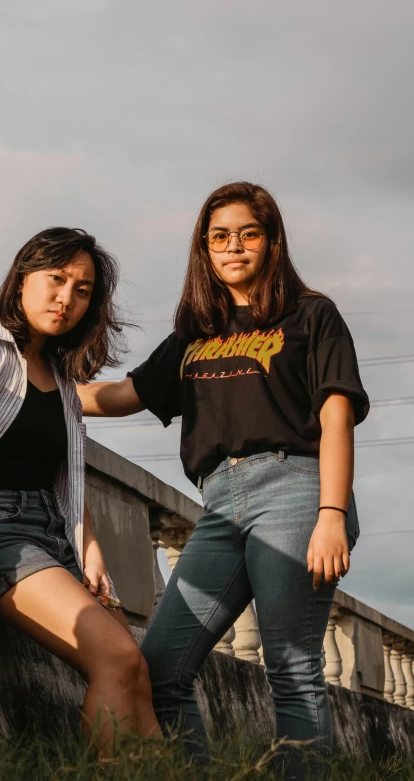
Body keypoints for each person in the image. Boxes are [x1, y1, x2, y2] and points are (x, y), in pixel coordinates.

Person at [77, 182, 369, 777]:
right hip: (218, 502)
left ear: (271, 240)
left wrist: (332, 514)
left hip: (297, 489)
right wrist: (28, 389)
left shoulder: (311, 315)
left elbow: (336, 417)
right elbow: (126, 393)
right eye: (219, 237)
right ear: (204, 250)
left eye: (248, 233)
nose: (233, 246)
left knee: (290, 667)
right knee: (159, 668)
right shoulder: (196, 332)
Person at [0, 227, 160, 753]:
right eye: (56, 279)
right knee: (114, 658)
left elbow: (64, 477)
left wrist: (90, 552)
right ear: (23, 278)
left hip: (50, 533)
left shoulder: (62, 380)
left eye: (83, 290)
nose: (67, 298)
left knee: (136, 672)